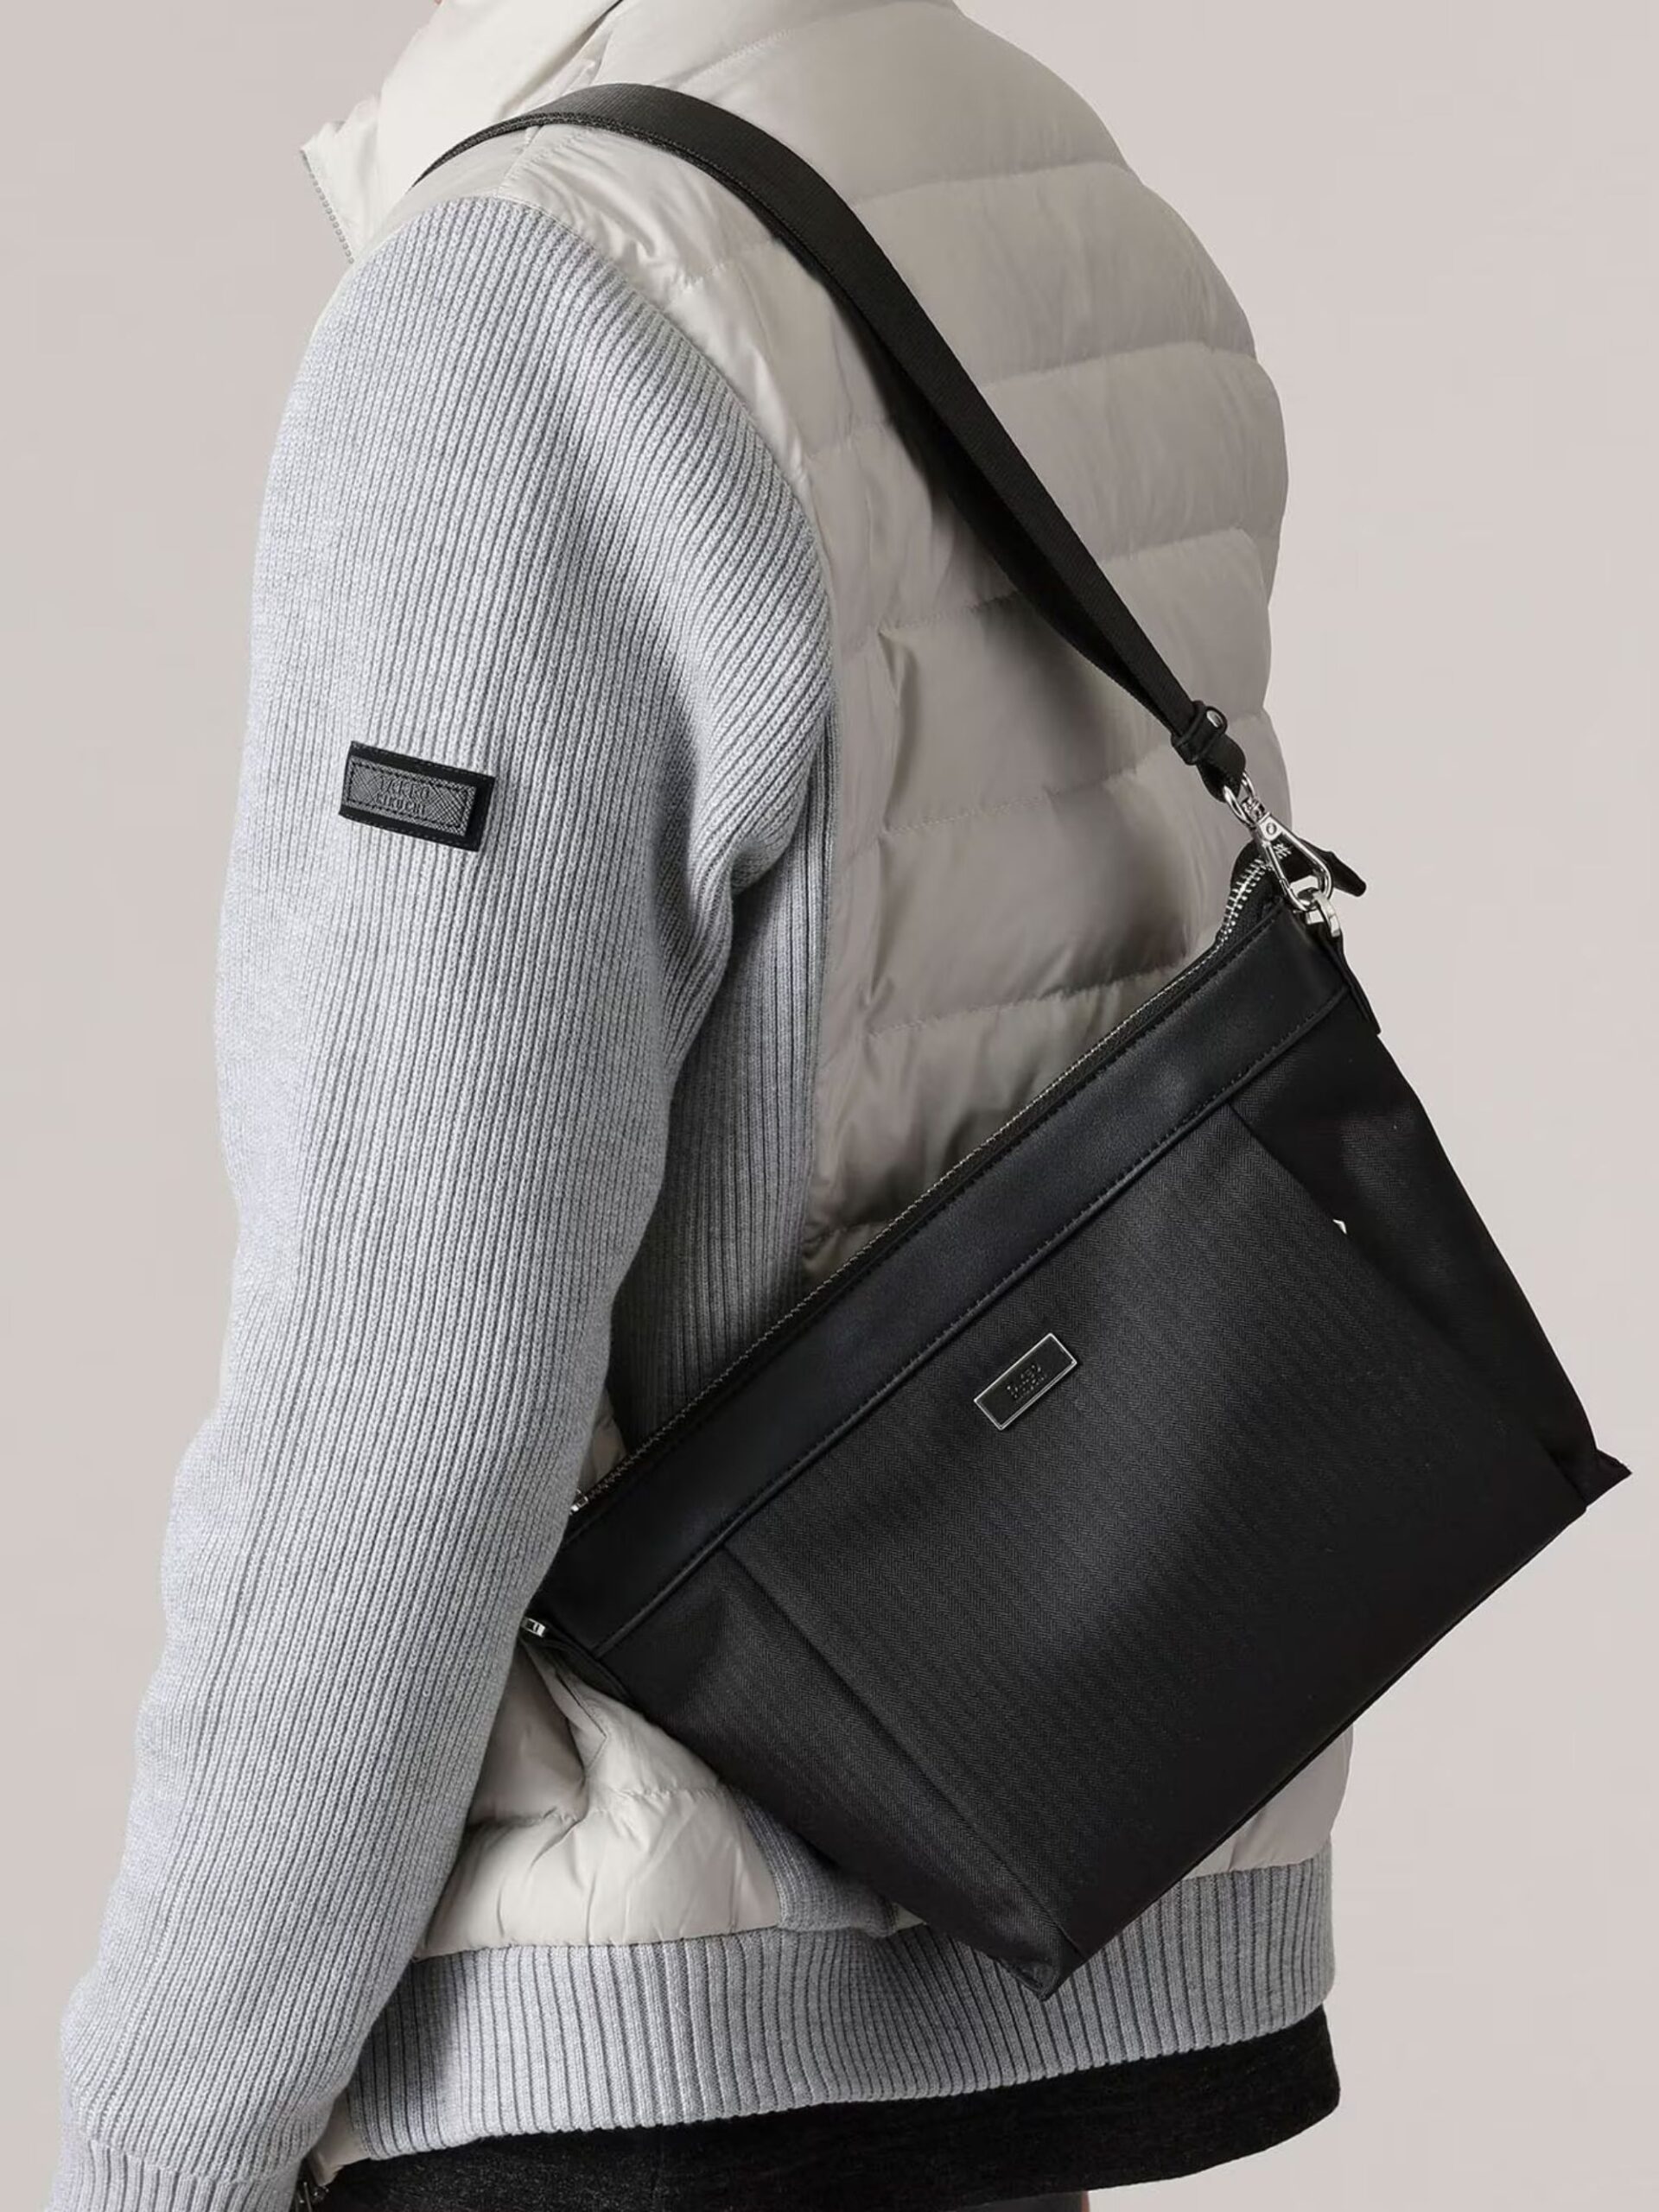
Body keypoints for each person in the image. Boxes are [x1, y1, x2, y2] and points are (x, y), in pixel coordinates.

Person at [51, 4, 1351, 2208]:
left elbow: (404, 1363)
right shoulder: (1061, 192)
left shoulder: (521, 305)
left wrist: (162, 2133)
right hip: (1028, 1903)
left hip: (615, 2043)